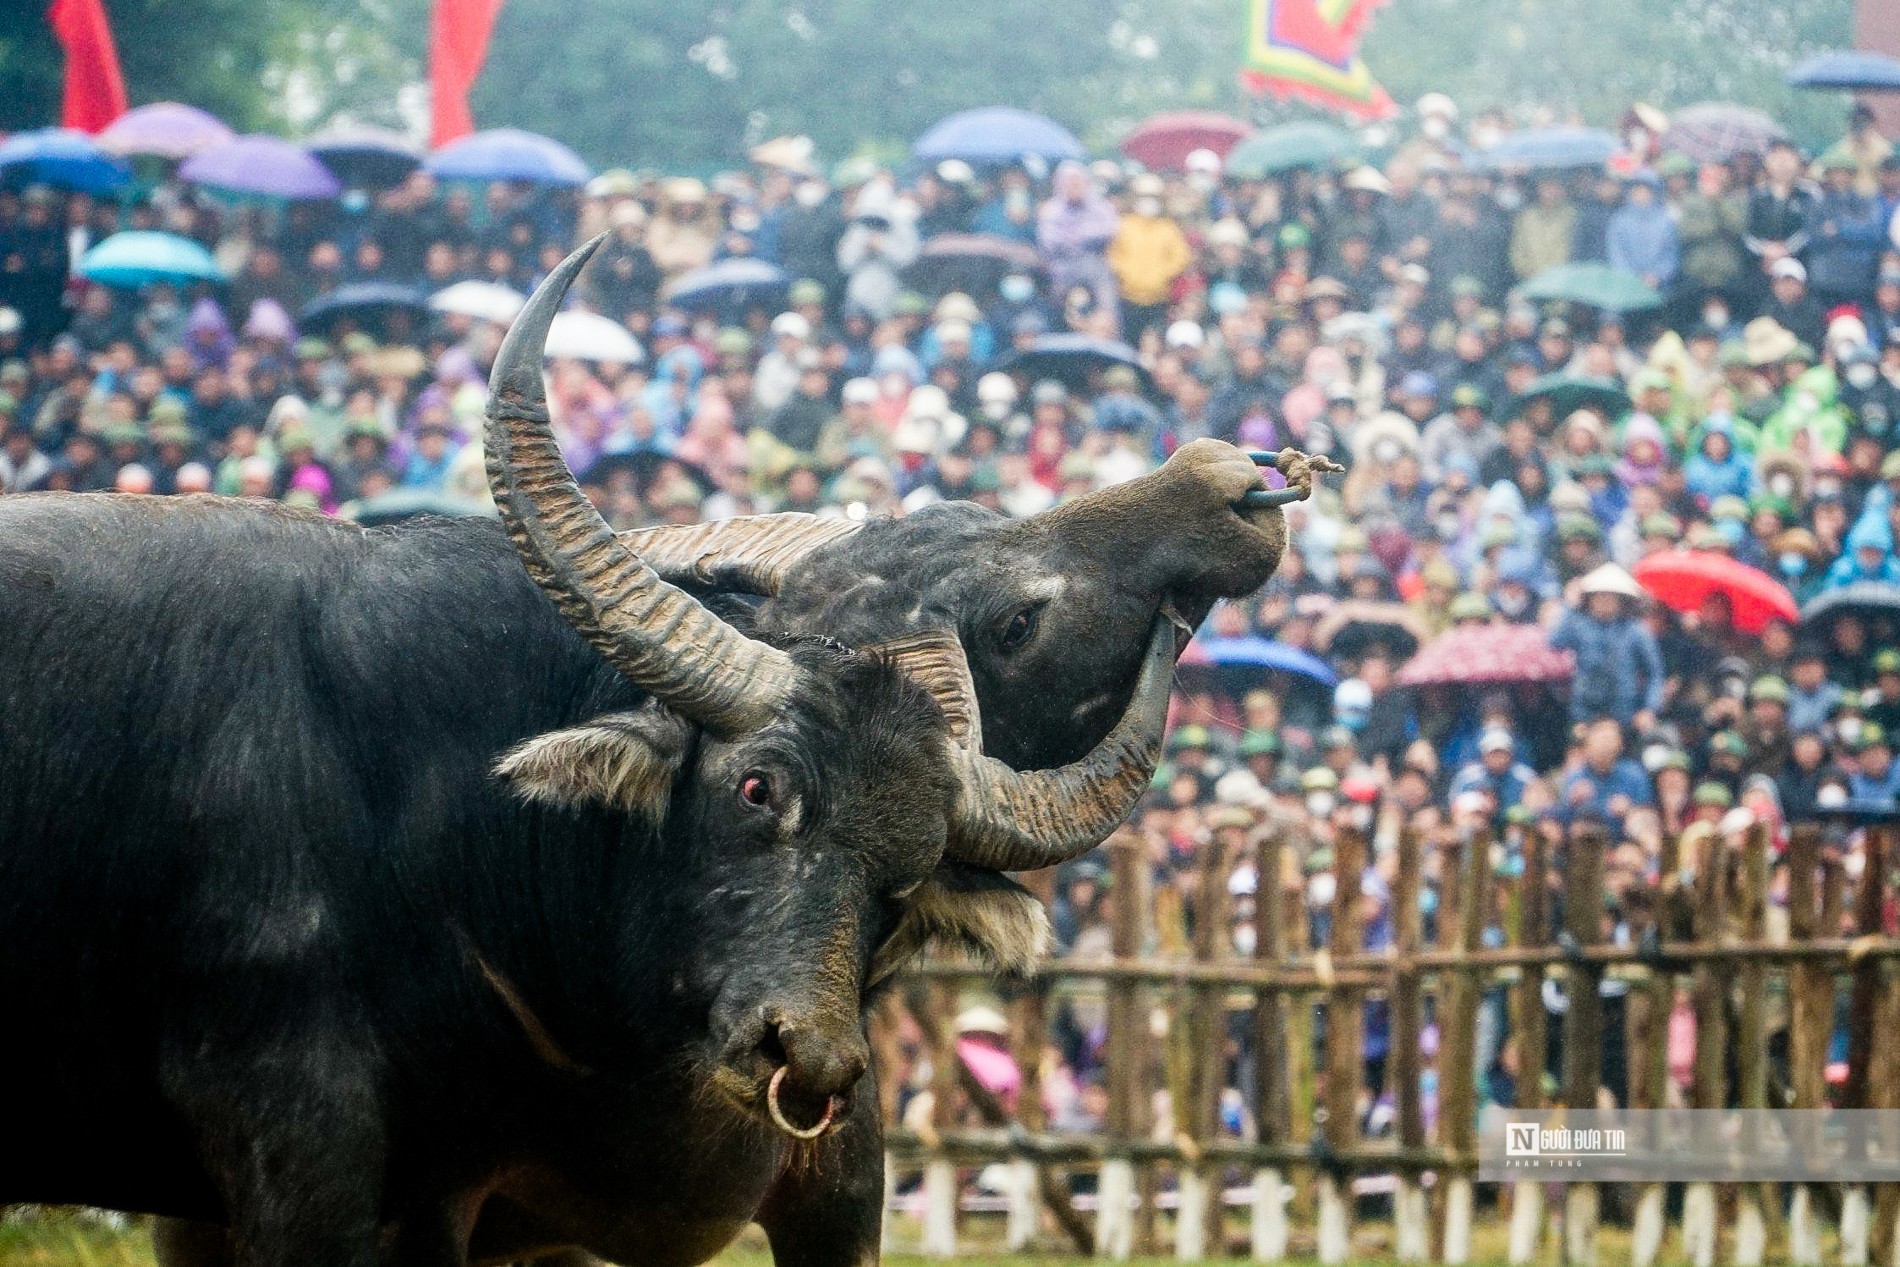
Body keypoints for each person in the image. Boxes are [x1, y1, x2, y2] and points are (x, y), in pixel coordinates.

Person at [1548, 564, 1665, 730]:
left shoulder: (1636, 630)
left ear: (1621, 600)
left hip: (1624, 712)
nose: (1605, 601)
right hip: (1585, 710)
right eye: (1600, 596)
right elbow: (1554, 642)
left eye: (1611, 597)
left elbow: (1654, 673)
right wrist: (1569, 606)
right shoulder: (1579, 625)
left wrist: (1648, 709)